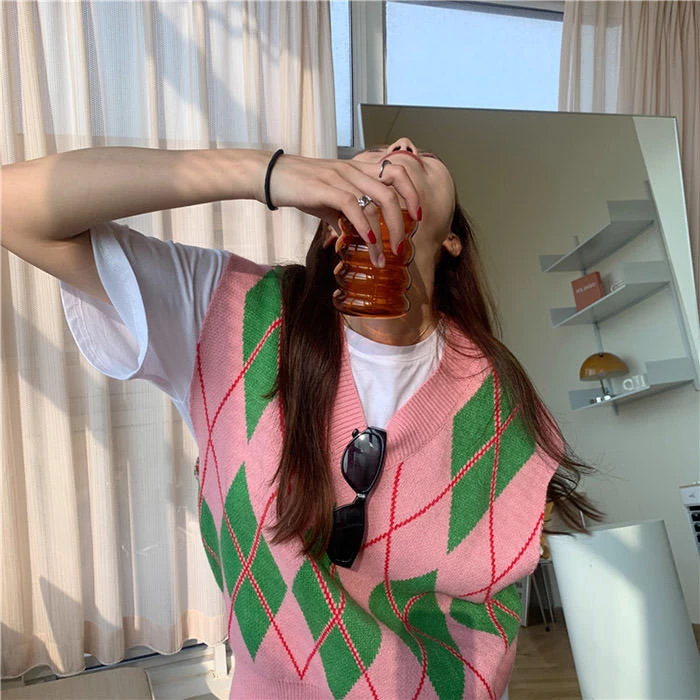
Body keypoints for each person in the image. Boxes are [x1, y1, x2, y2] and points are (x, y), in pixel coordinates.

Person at [2, 138, 603, 699]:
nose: (400, 148)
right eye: (376, 153)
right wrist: (271, 173)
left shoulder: (497, 398)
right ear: (332, 227)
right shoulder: (227, 315)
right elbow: (15, 206)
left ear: (451, 241)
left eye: (421, 152)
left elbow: (482, 610)